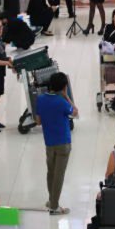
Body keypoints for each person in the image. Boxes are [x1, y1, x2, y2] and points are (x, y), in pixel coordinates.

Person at [36, 72, 78, 215]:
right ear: (64, 87)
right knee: (59, 175)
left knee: (51, 172)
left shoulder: (40, 99)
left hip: (49, 142)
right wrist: (66, 96)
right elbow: (75, 113)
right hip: (63, 143)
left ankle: (51, 200)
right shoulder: (62, 102)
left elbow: (38, 121)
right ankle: (54, 206)